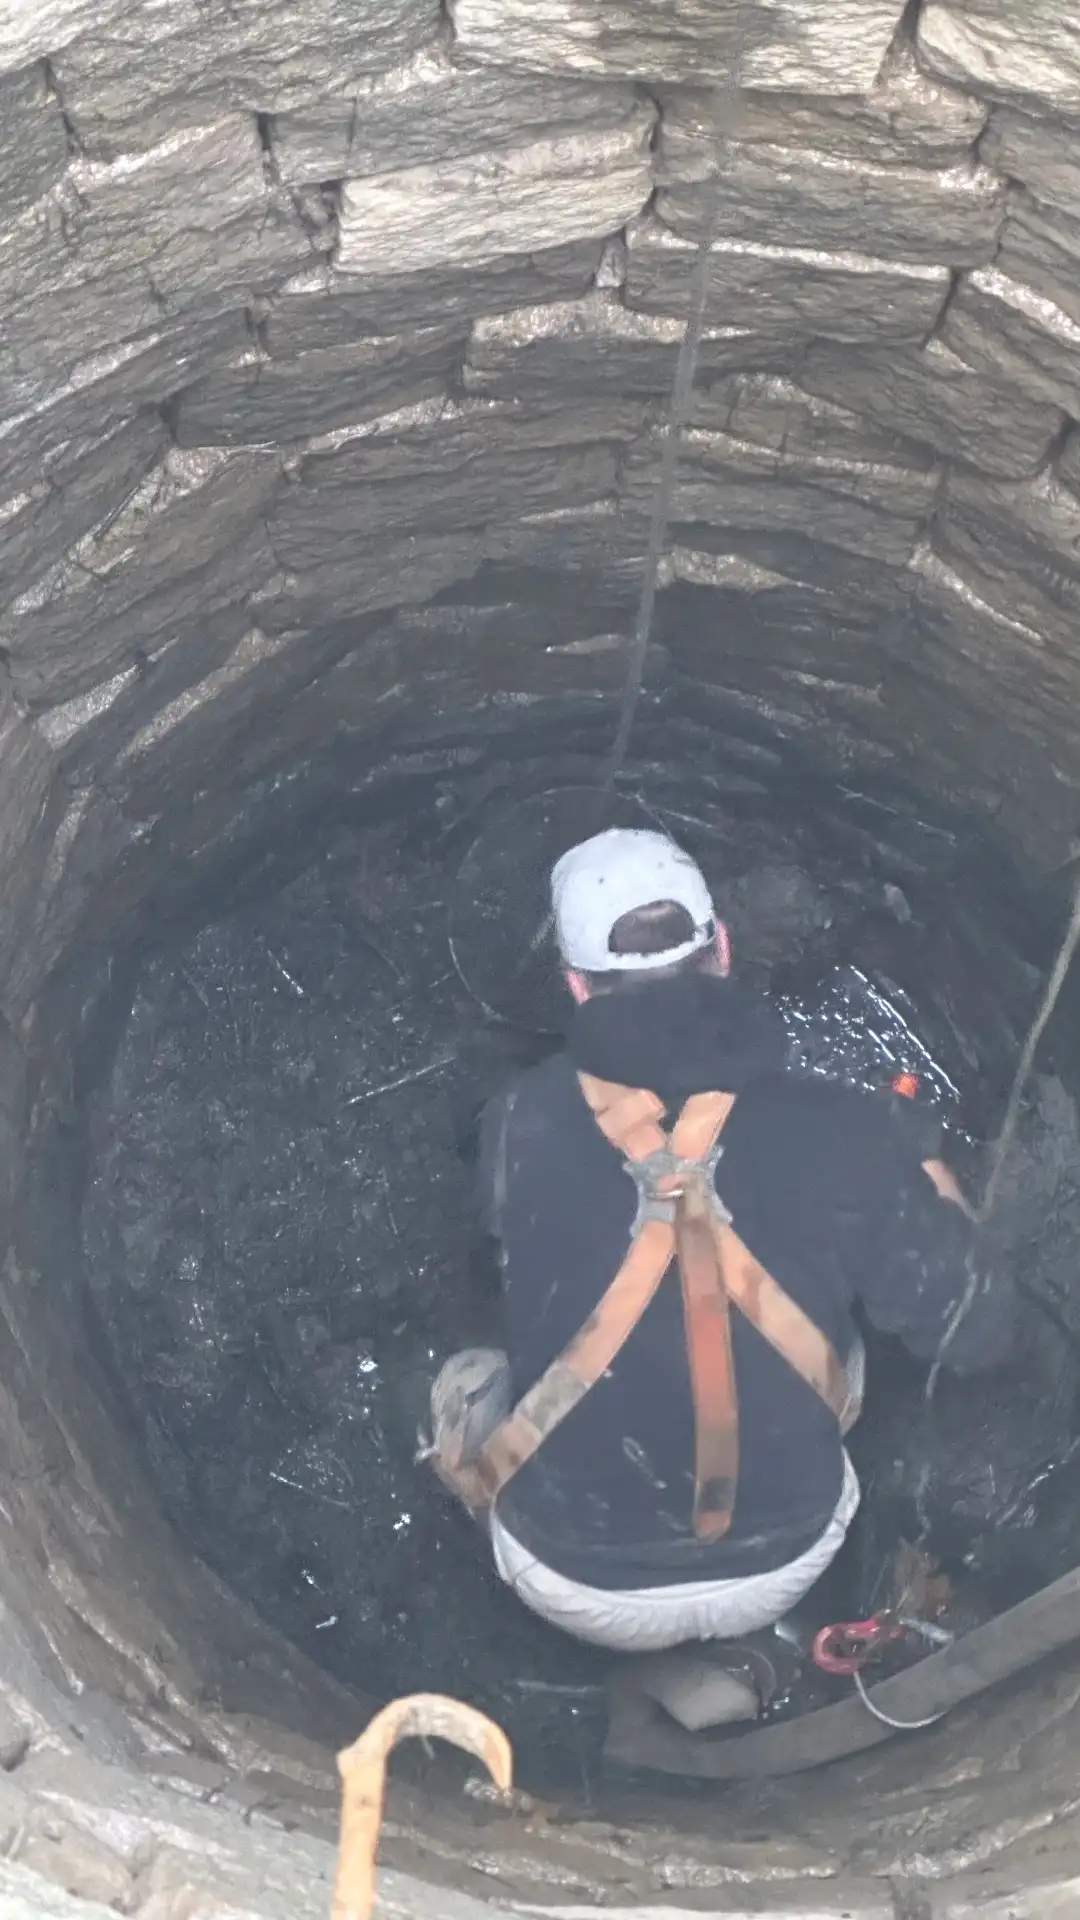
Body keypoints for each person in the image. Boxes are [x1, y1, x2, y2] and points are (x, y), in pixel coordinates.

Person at [426, 828, 1013, 1686]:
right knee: (838, 1342)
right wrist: (921, 1172)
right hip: (788, 1562)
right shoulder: (846, 1130)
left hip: (574, 1581)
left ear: (578, 985)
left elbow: (506, 1249)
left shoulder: (520, 1120)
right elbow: (981, 1328)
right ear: (724, 950)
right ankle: (753, 1636)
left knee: (465, 1379)